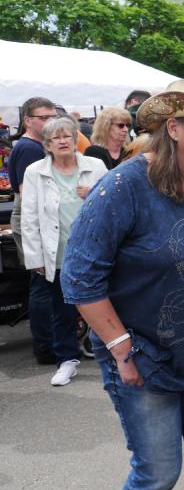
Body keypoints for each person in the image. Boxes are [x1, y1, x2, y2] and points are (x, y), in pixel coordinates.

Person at [61, 79, 184, 490]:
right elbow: (79, 277)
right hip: (146, 357)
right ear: (173, 127)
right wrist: (120, 346)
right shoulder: (124, 187)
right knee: (157, 475)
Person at [21, 117, 107, 385]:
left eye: (66, 135)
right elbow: (29, 217)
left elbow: (114, 203)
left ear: (75, 139)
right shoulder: (35, 171)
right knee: (62, 309)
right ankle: (67, 360)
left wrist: (93, 193)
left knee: (107, 303)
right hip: (56, 251)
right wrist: (34, 257)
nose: (61, 141)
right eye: (55, 138)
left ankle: (111, 353)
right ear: (46, 144)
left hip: (94, 250)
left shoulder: (96, 166)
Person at [10, 96, 59, 364]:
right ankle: (45, 346)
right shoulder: (29, 148)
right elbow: (28, 196)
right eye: (44, 117)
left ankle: (47, 342)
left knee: (43, 282)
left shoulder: (33, 145)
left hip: (38, 218)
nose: (50, 121)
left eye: (53, 116)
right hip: (35, 219)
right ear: (28, 120)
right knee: (42, 280)